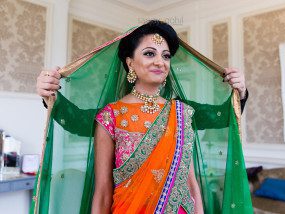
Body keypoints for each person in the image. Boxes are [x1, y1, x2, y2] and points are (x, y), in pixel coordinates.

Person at [32, 20, 252, 214]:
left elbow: (191, 182)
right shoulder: (111, 116)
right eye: (149, 53)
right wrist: (49, 93)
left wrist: (240, 92)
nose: (160, 61)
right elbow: (102, 192)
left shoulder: (183, 113)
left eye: (166, 56)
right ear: (130, 63)